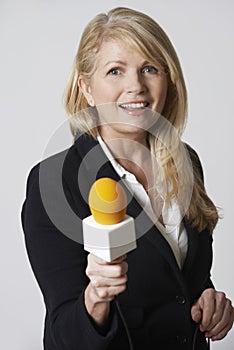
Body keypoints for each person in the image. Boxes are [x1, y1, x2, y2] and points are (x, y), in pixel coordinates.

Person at [21, 7, 234, 350]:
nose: (135, 85)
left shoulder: (186, 163)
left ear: (168, 80)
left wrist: (210, 301)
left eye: (149, 69)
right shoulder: (54, 183)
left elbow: (181, 279)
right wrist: (95, 300)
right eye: (115, 71)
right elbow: (63, 334)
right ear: (87, 88)